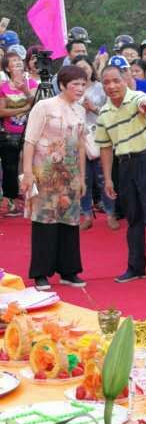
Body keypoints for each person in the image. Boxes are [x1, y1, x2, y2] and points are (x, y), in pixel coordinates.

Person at [95, 65, 146, 285]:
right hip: (124, 165)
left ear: (126, 80)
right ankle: (136, 267)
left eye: (115, 81)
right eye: (106, 82)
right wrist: (108, 179)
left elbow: (145, 104)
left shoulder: (137, 97)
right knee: (133, 218)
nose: (112, 86)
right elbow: (104, 147)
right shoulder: (103, 113)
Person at [19, 66, 89, 291]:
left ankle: (69, 271)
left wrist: (82, 177)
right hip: (45, 173)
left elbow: (80, 145)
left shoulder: (80, 110)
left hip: (70, 174)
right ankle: (41, 274)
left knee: (69, 221)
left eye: (83, 84)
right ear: (62, 85)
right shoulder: (44, 106)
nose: (79, 89)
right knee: (45, 221)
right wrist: (28, 173)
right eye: (75, 84)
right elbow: (30, 141)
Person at [72, 55, 118, 231]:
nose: (83, 71)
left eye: (85, 67)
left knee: (104, 178)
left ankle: (111, 214)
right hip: (78, 138)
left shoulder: (101, 87)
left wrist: (93, 108)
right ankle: (86, 215)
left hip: (100, 137)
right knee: (83, 179)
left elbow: (111, 113)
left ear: (92, 68)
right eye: (78, 68)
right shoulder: (71, 90)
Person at [0, 50, 38, 217]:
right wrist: (24, 108)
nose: (18, 64)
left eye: (19, 61)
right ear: (7, 69)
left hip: (30, 133)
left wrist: (25, 91)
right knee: (10, 168)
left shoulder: (32, 84)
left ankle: (32, 199)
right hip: (9, 134)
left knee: (29, 165)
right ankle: (12, 201)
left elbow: (38, 104)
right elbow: (1, 111)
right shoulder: (3, 88)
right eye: (13, 62)